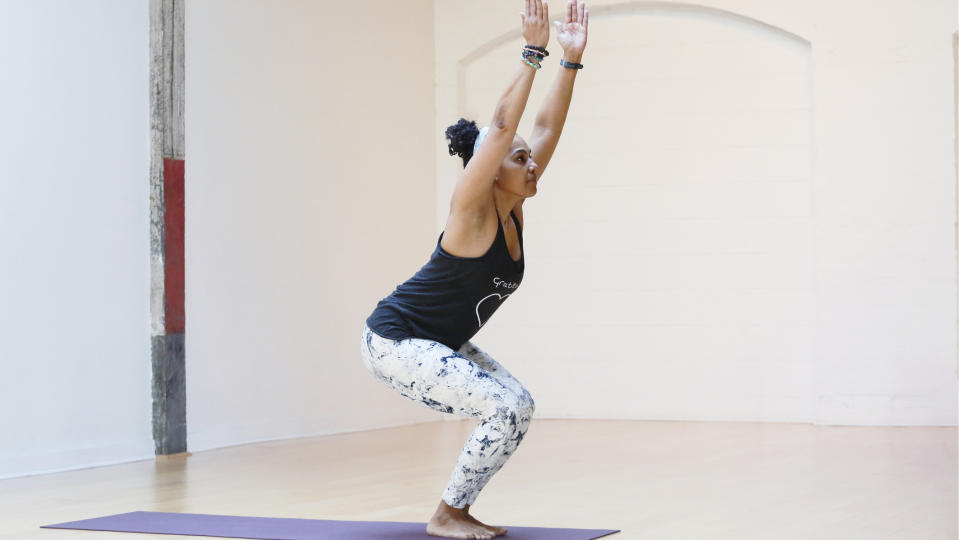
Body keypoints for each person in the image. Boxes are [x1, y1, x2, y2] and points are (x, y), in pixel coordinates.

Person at [360, 0, 588, 538]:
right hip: (394, 339)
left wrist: (571, 61)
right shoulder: (472, 209)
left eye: (529, 158)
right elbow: (505, 125)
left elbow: (545, 125)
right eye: (517, 158)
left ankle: (454, 509)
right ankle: (447, 516)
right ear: (489, 167)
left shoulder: (515, 208)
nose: (531, 163)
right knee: (504, 406)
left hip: (440, 342)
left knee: (519, 405)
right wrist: (533, 53)